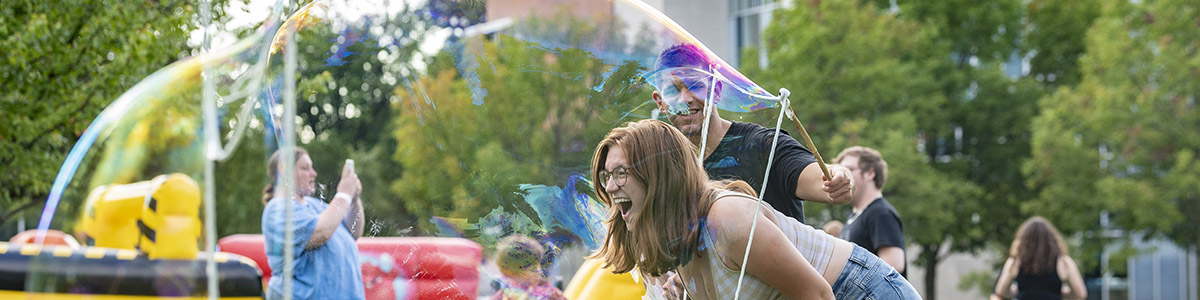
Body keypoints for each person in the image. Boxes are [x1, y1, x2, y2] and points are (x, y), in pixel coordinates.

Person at [591, 119, 920, 299]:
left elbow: (817, 295)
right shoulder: (660, 244)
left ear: (658, 175)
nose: (610, 186)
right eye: (607, 176)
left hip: (857, 290)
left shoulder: (727, 218)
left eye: (621, 172)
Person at [648, 43, 853, 224]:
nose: (685, 99)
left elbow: (819, 178)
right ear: (660, 102)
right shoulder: (664, 168)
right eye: (673, 91)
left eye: (695, 86)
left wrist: (838, 179)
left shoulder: (763, 145)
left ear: (716, 91)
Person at [261, 147, 366, 300]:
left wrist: (354, 198)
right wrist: (344, 194)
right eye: (305, 168)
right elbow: (320, 233)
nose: (313, 173)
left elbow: (353, 231)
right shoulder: (277, 209)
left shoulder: (316, 205)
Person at [832, 146, 907, 277]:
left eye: (848, 170)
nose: (841, 176)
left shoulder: (881, 213)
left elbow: (894, 264)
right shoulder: (855, 216)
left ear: (870, 173)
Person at [994, 217, 1087, 300]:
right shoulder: (1063, 262)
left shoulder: (1016, 261)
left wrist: (1019, 291)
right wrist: (1060, 293)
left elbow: (1001, 291)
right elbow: (1080, 294)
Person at [491, 235, 568, 300]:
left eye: (538, 266)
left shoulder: (549, 291)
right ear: (513, 274)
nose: (539, 271)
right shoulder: (503, 295)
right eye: (533, 269)